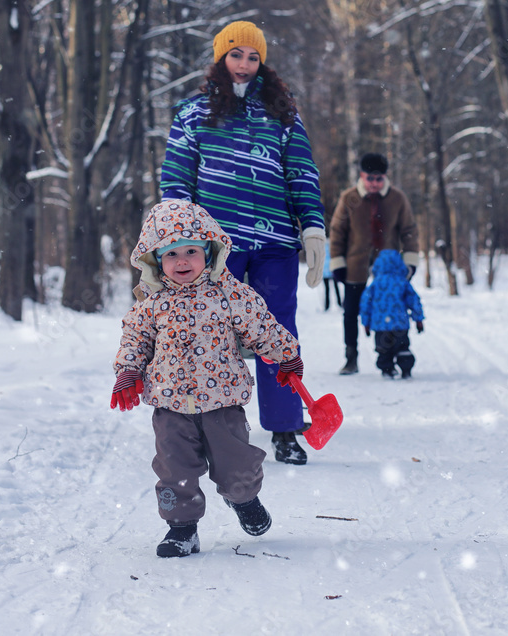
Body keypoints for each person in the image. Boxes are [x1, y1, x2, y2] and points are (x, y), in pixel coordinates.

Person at [160, 20, 326, 465]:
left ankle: (287, 427)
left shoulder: (283, 113)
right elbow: (176, 183)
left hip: (275, 241)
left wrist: (312, 226)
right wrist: (176, 241)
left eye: (253, 57)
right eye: (236, 55)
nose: (245, 64)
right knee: (212, 335)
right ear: (221, 58)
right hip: (215, 247)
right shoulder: (193, 113)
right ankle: (215, 429)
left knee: (278, 332)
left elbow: (301, 173)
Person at [109, 200, 304, 558]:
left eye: (191, 251)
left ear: (210, 252)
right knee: (174, 470)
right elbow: (134, 338)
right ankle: (181, 529)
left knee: (237, 466)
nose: (182, 261)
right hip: (170, 405)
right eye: (171, 255)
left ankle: (243, 498)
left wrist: (287, 355)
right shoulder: (151, 303)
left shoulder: (231, 295)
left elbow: (263, 327)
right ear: (156, 260)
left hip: (223, 403)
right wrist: (128, 371)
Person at [329, 152, 420, 375]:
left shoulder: (397, 199)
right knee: (350, 312)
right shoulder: (349, 198)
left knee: (393, 310)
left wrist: (410, 261)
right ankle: (351, 357)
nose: (374, 183)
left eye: (379, 179)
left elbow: (409, 231)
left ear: (385, 178)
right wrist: (338, 262)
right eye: (370, 178)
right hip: (355, 265)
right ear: (362, 175)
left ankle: (394, 353)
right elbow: (337, 231)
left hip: (388, 269)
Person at [359, 250, 425, 379]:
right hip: (399, 324)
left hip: (380, 325)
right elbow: (414, 301)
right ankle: (406, 369)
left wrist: (366, 323)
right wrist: (418, 319)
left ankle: (387, 369)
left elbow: (365, 304)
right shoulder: (402, 282)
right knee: (402, 347)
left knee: (383, 348)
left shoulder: (375, 284)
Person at [322, 242, 342, 311]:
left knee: (327, 289)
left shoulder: (322, 247)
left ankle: (327, 306)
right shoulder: (332, 246)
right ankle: (339, 304)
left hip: (326, 271)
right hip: (332, 270)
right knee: (335, 288)